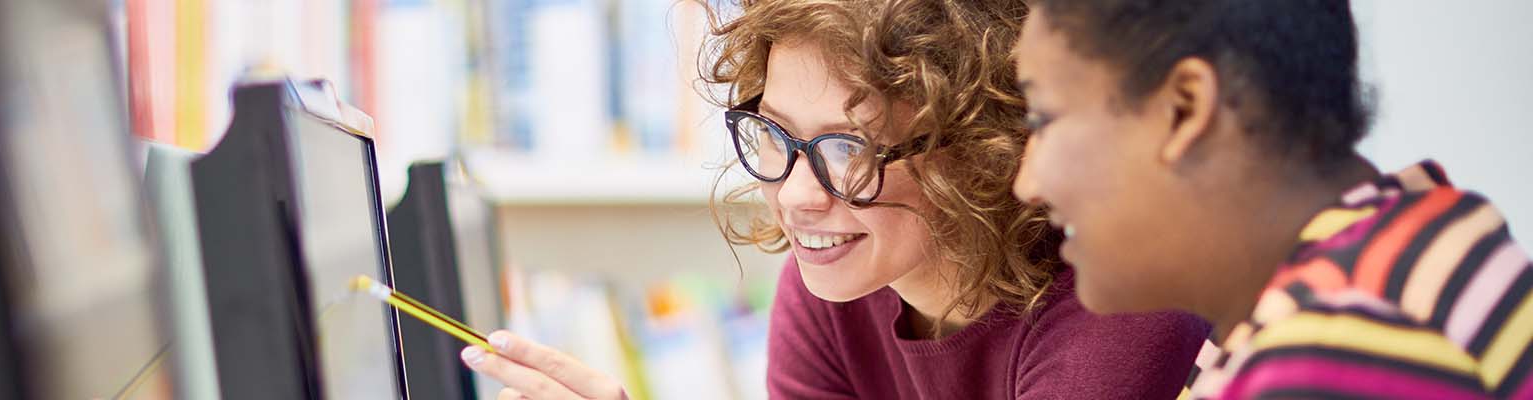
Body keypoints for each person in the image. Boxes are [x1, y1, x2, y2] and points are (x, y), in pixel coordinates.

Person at [460, 0, 1208, 398]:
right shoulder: (833, 286)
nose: (796, 196)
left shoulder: (1118, 298)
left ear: (980, 149)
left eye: (847, 149)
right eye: (775, 135)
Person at [1011, 0, 1533, 398]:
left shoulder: (1331, 353)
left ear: (1183, 109)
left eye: (1041, 118)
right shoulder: (1412, 244)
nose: (1025, 183)